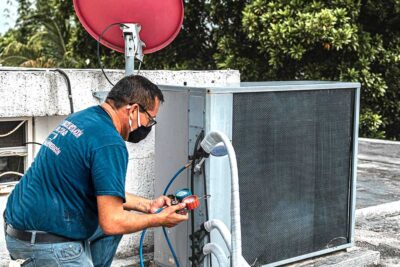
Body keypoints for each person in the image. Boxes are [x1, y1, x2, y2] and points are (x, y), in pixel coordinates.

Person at [4, 75, 188, 266]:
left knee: (112, 226)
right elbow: (112, 221)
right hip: (45, 242)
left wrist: (148, 206)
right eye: (150, 119)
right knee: (116, 224)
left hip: (19, 226)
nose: (149, 127)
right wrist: (158, 219)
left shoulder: (83, 118)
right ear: (133, 110)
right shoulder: (110, 143)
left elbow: (106, 194)